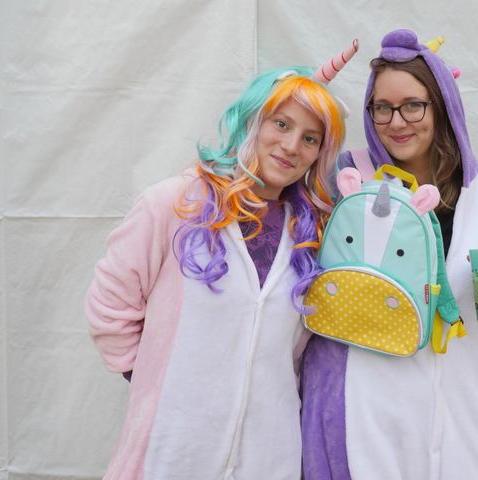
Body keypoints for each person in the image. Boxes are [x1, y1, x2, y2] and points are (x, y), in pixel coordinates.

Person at [85, 41, 357, 480]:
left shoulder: (313, 233)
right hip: (173, 451)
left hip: (270, 453)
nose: (291, 146)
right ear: (252, 119)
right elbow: (110, 304)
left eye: (310, 138)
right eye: (281, 124)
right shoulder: (173, 204)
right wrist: (156, 384)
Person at [300, 29, 478, 480]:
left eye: (413, 104)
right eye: (382, 108)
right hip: (363, 414)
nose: (397, 121)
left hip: (465, 415)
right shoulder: (345, 179)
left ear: (442, 104)